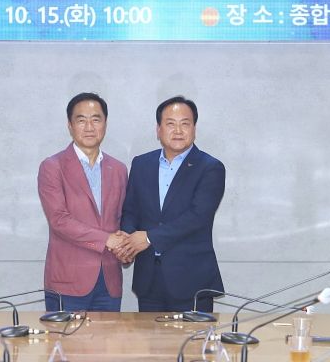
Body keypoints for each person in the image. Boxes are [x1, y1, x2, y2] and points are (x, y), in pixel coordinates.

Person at [116, 96, 226, 312]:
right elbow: (131, 210)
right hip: (149, 280)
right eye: (170, 124)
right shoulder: (141, 164)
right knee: (148, 335)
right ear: (158, 130)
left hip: (192, 281)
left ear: (194, 129)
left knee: (194, 336)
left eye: (185, 124)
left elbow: (198, 217)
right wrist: (128, 243)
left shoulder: (210, 168)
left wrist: (148, 238)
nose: (178, 130)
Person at [38, 92, 128, 312]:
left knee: (109, 336)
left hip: (109, 281)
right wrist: (107, 239)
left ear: (105, 124)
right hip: (68, 282)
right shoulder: (53, 166)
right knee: (65, 337)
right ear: (70, 125)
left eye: (96, 119)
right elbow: (59, 220)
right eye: (81, 120)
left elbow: (122, 218)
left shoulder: (118, 169)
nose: (89, 127)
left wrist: (128, 247)